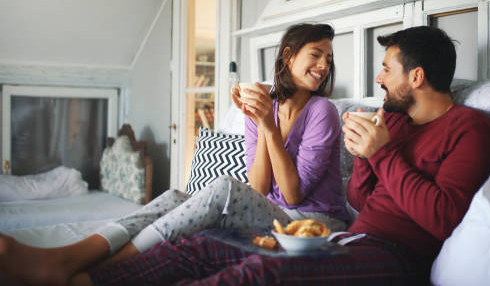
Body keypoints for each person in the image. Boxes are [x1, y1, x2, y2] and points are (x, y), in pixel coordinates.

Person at [53, 26, 490, 286]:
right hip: (348, 237)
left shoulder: (469, 128)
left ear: (416, 76)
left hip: (395, 257)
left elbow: (442, 218)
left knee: (260, 271)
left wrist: (379, 155)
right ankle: (87, 278)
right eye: (316, 54)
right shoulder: (396, 123)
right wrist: (365, 155)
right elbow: (361, 199)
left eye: (387, 68)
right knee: (203, 246)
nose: (378, 77)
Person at [0, 23, 349, 286]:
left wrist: (269, 129)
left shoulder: (323, 112)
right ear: (288, 56)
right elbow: (258, 190)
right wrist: (259, 118)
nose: (323, 65)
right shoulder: (263, 104)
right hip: (274, 216)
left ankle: (94, 269)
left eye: (328, 59)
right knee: (175, 197)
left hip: (313, 224)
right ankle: (71, 256)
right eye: (315, 55)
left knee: (224, 188)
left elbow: (292, 194)